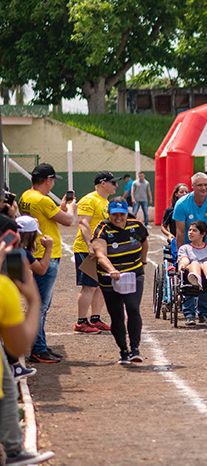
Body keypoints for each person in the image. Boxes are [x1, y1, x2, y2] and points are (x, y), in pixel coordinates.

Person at [0, 248, 55, 465]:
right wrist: (33, 301)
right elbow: (18, 346)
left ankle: (15, 450)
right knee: (7, 392)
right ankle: (14, 452)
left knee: (8, 389)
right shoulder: (4, 289)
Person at [19, 163, 77, 363]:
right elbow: (68, 221)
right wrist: (71, 208)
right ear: (48, 181)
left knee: (40, 303)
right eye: (52, 180)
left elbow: (48, 216)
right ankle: (38, 348)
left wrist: (60, 208)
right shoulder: (43, 200)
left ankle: (40, 344)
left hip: (36, 250)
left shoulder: (26, 196)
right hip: (46, 253)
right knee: (41, 305)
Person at [92, 198, 149, 363]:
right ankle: (123, 350)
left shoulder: (136, 225)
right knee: (116, 316)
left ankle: (135, 348)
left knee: (133, 308)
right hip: (110, 278)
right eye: (115, 214)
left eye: (122, 214)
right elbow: (101, 255)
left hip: (133, 274)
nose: (118, 218)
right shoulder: (102, 229)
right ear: (108, 213)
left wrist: (143, 262)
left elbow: (144, 242)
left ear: (127, 213)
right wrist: (112, 270)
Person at [73, 171, 121, 335]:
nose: (116, 185)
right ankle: (81, 322)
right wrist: (89, 245)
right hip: (87, 249)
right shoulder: (89, 200)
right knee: (89, 286)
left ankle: (95, 319)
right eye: (113, 182)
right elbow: (83, 223)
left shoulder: (105, 202)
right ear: (103, 183)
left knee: (100, 286)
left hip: (101, 249)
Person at [173, 172, 207, 325]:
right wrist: (181, 257)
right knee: (192, 271)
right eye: (200, 185)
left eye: (206, 185)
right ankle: (189, 312)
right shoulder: (182, 204)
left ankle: (204, 312)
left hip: (206, 246)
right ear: (193, 186)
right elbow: (180, 232)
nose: (203, 188)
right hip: (188, 247)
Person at [13, 215, 53, 377]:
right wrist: (49, 249)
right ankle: (15, 367)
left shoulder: (8, 247)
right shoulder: (22, 252)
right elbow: (41, 269)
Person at [178, 221, 207, 289]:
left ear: (203, 234)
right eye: (189, 230)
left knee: (206, 263)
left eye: (194, 230)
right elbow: (185, 259)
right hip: (190, 272)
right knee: (194, 263)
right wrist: (182, 264)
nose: (190, 232)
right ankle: (196, 281)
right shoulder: (184, 248)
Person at [161, 183, 190, 260]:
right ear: (176, 194)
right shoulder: (170, 210)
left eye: (186, 192)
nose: (184, 194)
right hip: (176, 239)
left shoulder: (192, 210)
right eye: (181, 192)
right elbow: (163, 226)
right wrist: (169, 234)